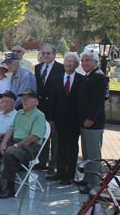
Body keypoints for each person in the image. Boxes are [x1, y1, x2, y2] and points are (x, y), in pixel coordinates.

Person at [0, 89, 46, 199]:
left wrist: (16, 146)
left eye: (28, 99)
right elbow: (11, 129)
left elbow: (34, 137)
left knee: (10, 154)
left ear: (35, 101)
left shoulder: (39, 115)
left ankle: (10, 188)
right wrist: (4, 143)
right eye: (23, 99)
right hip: (15, 142)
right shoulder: (20, 113)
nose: (24, 101)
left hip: (29, 146)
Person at [47, 53, 83, 185]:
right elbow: (53, 100)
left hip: (74, 121)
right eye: (66, 61)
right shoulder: (56, 79)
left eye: (71, 62)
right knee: (60, 147)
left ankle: (70, 175)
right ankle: (60, 172)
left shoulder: (81, 79)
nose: (68, 64)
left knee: (72, 148)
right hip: (59, 120)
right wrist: (51, 119)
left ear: (76, 65)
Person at [75, 51, 108, 194]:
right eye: (82, 61)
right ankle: (87, 178)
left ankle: (96, 184)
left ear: (95, 62)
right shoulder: (89, 76)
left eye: (87, 60)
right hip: (85, 123)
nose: (84, 63)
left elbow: (97, 101)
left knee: (94, 155)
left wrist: (90, 118)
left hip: (92, 123)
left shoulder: (98, 76)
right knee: (87, 154)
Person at [35, 44, 64, 174]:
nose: (45, 56)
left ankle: (54, 164)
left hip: (55, 108)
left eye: (48, 53)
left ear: (54, 54)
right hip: (41, 109)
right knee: (42, 135)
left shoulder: (61, 68)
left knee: (55, 137)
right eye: (43, 53)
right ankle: (42, 161)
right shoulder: (38, 68)